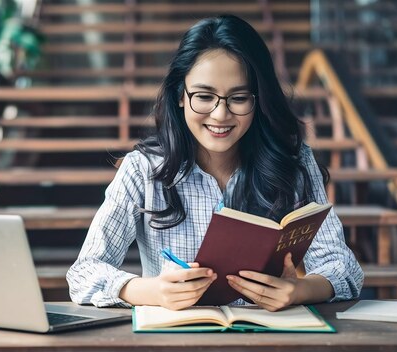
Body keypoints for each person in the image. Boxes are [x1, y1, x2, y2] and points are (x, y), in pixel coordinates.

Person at [66, 15, 363, 311]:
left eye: (239, 98)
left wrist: (300, 290)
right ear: (180, 95)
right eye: (204, 96)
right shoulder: (143, 169)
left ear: (259, 100)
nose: (220, 115)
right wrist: (147, 291)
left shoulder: (293, 161)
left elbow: (343, 267)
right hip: (177, 337)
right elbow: (84, 272)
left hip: (269, 338)